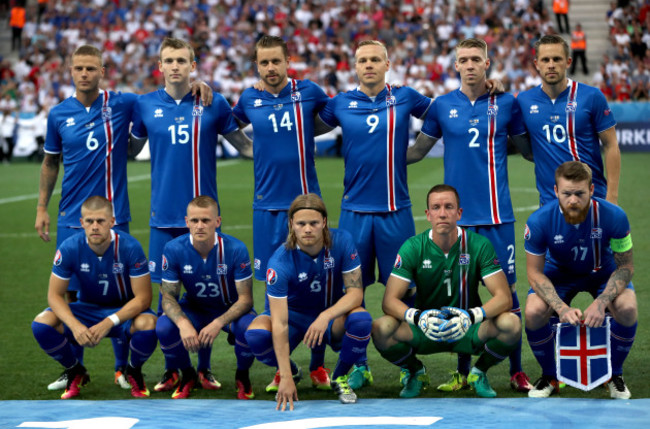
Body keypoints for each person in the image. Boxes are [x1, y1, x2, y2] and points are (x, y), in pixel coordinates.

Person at [35, 44, 211, 392]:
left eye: (91, 68)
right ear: (70, 71)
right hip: (71, 215)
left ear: (102, 70)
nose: (84, 74)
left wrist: (199, 83)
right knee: (70, 298)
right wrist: (42, 207)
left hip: (115, 216)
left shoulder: (124, 103)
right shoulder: (58, 114)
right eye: (78, 68)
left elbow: (166, 94)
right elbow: (50, 162)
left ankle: (122, 368)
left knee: (120, 294)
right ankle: (76, 369)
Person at [406, 38, 533, 393]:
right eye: (464, 59)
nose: (470, 64)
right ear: (456, 65)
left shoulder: (507, 103)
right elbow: (417, 152)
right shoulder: (442, 106)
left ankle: (516, 370)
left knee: (508, 293)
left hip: (496, 216)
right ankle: (464, 372)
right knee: (461, 295)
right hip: (457, 219)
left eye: (476, 58)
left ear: (488, 63)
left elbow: (528, 149)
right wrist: (375, 157)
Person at [130, 37, 252, 393]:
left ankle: (204, 368)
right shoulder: (144, 105)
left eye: (182, 60)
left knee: (207, 295)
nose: (175, 66)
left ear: (192, 65)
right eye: (169, 60)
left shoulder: (211, 102)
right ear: (160, 65)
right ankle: (175, 369)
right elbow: (129, 147)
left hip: (203, 218)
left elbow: (243, 146)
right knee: (167, 299)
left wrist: (282, 153)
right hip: (163, 219)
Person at [317, 40, 433, 388]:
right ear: (355, 66)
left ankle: (408, 364)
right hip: (354, 213)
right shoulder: (339, 103)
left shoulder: (406, 96)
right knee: (353, 292)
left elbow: (445, 114)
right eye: (362, 60)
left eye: (374, 60)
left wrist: (414, 153)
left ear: (387, 64)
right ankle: (359, 364)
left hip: (396, 212)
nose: (368, 65)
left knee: (407, 294)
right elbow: (301, 125)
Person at [232, 35, 332, 391]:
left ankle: (319, 366)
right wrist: (248, 150)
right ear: (256, 66)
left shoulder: (309, 92)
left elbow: (334, 115)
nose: (270, 68)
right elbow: (227, 124)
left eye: (276, 61)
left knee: (320, 282)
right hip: (266, 207)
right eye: (264, 63)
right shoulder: (248, 97)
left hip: (306, 206)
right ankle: (283, 366)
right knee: (271, 284)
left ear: (288, 61)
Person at [371, 184, 521, 398]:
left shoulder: (479, 245)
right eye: (436, 207)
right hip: (427, 328)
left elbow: (504, 298)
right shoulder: (413, 247)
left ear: (459, 213)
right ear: (428, 214)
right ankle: (416, 372)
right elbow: (389, 301)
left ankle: (479, 372)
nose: (442, 213)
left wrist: (471, 316)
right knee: (381, 328)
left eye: (449, 207)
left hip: (468, 328)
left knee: (511, 324)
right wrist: (418, 316)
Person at [244, 194, 372, 410]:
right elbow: (280, 322)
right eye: (301, 224)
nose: (308, 229)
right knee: (256, 335)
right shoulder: (279, 261)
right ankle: (291, 371)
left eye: (313, 223)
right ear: (291, 224)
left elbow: (355, 294)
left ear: (324, 222)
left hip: (330, 314)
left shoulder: (342, 241)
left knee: (361, 319)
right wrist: (285, 375)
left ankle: (339, 378)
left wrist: (325, 316)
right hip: (292, 318)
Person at [524, 161, 636, 399]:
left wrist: (602, 302)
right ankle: (550, 375)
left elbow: (625, 266)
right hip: (559, 274)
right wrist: (560, 307)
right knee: (534, 312)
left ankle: (613, 374)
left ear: (592, 190)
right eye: (566, 194)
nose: (573, 200)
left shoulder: (614, 216)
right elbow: (534, 273)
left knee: (627, 307)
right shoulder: (539, 221)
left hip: (603, 273)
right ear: (555, 191)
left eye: (579, 194)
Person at [31, 196, 157, 399]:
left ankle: (133, 371)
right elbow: (54, 296)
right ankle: (75, 370)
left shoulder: (130, 247)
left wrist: (109, 322)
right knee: (42, 323)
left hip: (121, 312)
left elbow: (144, 299)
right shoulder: (70, 247)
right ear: (82, 223)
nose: (95, 226)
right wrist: (75, 326)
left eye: (101, 221)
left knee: (149, 323)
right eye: (89, 221)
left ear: (112, 222)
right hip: (87, 310)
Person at [156, 196, 256, 400]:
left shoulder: (235, 249)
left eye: (206, 220)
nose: (199, 226)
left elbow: (246, 300)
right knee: (164, 327)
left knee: (251, 328)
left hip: (227, 308)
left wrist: (218, 323)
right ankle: (188, 374)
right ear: (186, 222)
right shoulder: (174, 249)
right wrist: (183, 323)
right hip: (194, 308)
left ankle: (242, 375)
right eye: (194, 221)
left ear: (217, 222)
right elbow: (168, 297)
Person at [516, 35, 621, 206]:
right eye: (545, 59)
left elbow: (611, 145)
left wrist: (612, 198)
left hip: (592, 200)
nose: (551, 64)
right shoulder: (523, 101)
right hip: (550, 205)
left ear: (568, 62)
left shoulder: (591, 96)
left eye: (557, 59)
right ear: (536, 64)